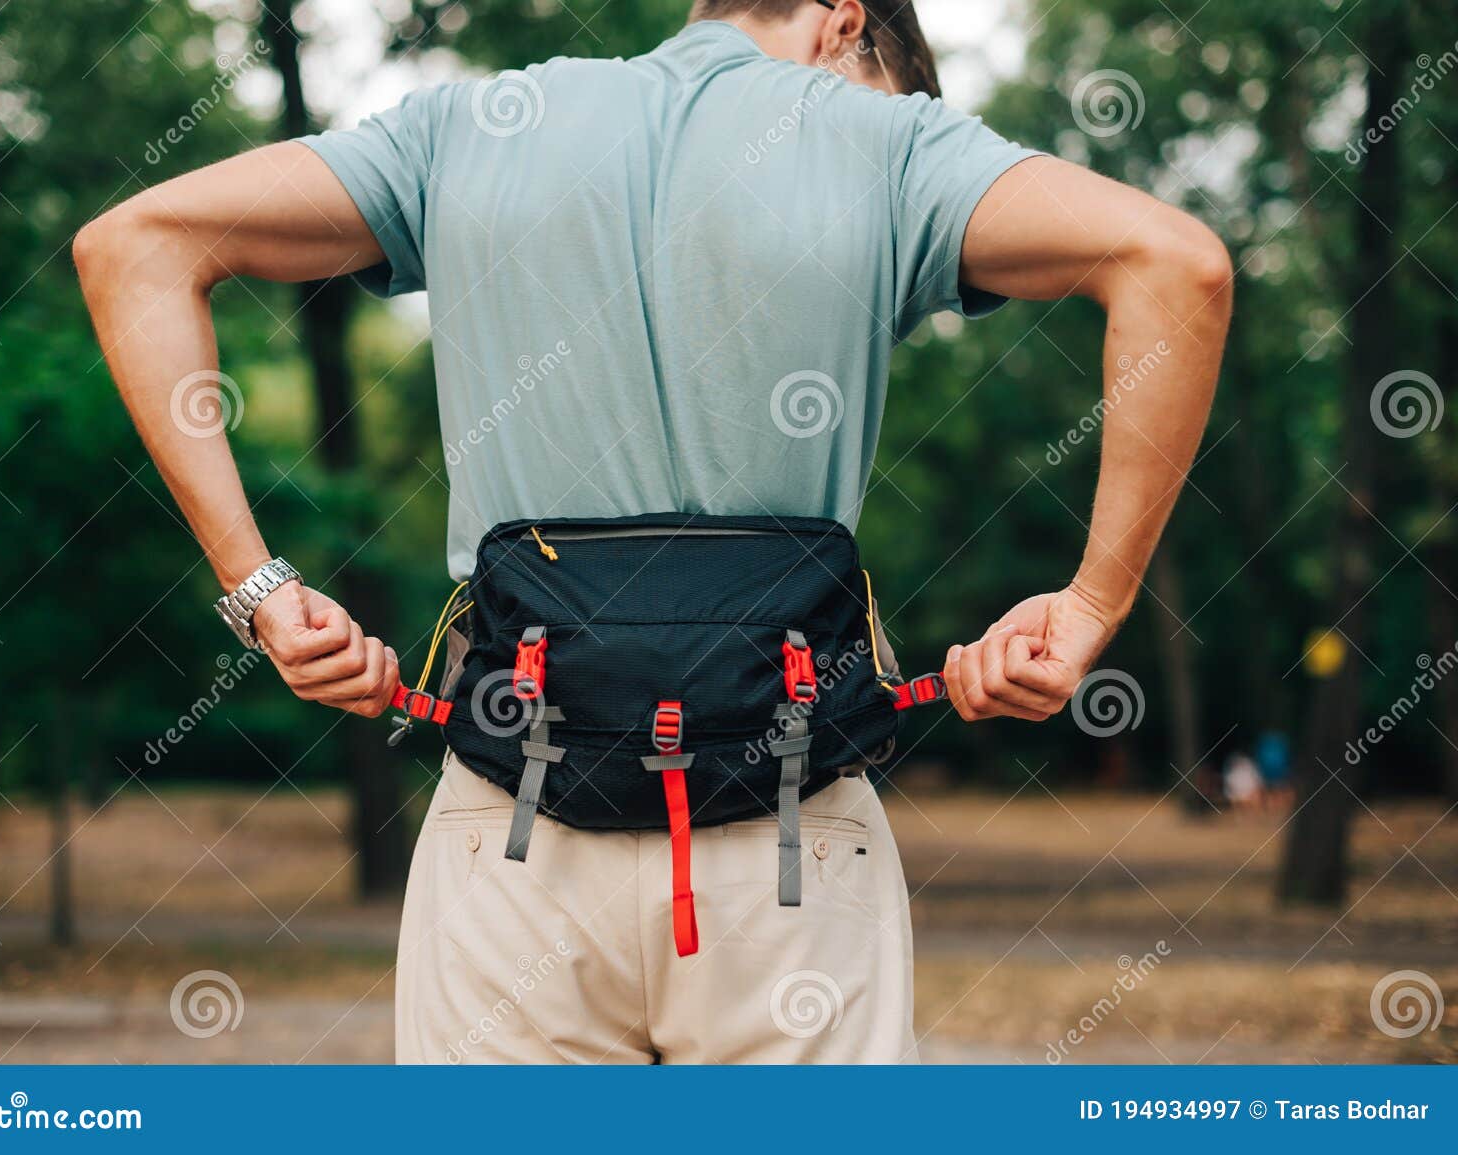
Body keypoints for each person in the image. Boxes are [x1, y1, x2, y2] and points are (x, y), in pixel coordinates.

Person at [74, 0, 1232, 1062]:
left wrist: (259, 585)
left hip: (509, 835)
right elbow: (1176, 263)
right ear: (842, 25)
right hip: (791, 840)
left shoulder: (465, 125)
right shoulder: (893, 145)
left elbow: (134, 245)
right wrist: (1090, 606)